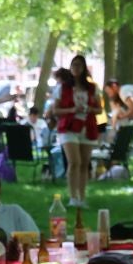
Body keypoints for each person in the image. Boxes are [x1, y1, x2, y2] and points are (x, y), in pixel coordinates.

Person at [51, 55, 101, 208]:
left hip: (87, 126)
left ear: (84, 67)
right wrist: (72, 109)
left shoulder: (93, 88)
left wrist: (89, 108)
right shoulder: (63, 88)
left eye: (79, 65)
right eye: (73, 65)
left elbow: (99, 109)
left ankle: (82, 197)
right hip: (68, 127)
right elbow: (55, 110)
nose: (76, 68)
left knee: (84, 163)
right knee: (74, 162)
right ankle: (73, 197)